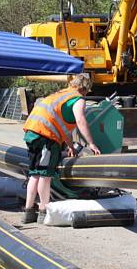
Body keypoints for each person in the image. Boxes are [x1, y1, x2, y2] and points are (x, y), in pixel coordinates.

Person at [21, 73, 101, 225]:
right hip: (46, 137)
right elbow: (80, 120)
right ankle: (44, 211)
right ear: (84, 89)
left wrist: (70, 146)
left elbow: (62, 127)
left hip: (32, 133)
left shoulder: (60, 95)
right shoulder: (78, 99)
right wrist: (91, 143)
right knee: (45, 175)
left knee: (34, 174)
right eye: (86, 91)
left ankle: (28, 212)